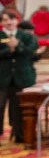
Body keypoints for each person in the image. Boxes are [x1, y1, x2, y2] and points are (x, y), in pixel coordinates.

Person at [0, 9, 37, 143]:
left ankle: (19, 134)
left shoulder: (25, 36)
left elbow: (31, 49)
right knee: (0, 105)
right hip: (3, 77)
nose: (9, 22)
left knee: (18, 107)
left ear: (16, 21)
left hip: (21, 77)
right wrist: (8, 49)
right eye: (5, 19)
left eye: (11, 19)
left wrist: (18, 45)